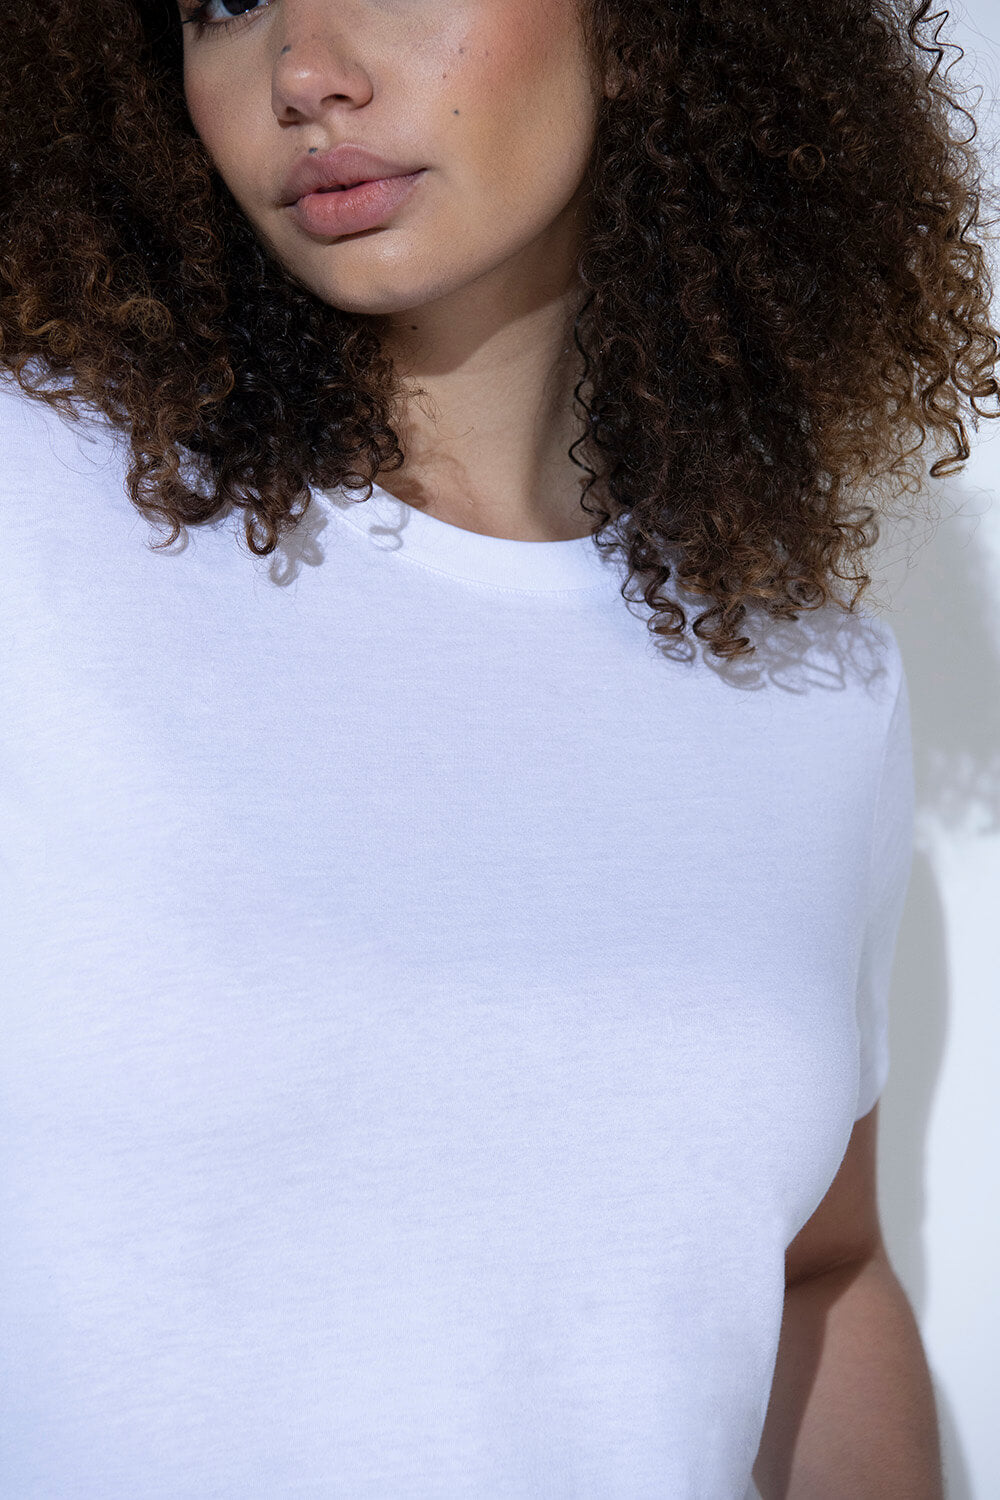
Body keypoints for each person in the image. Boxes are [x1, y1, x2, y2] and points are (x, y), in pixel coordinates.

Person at [0, 1, 996, 1495]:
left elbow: (818, 1272)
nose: (304, 73)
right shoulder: (33, 514)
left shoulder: (811, 689)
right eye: (222, 0)